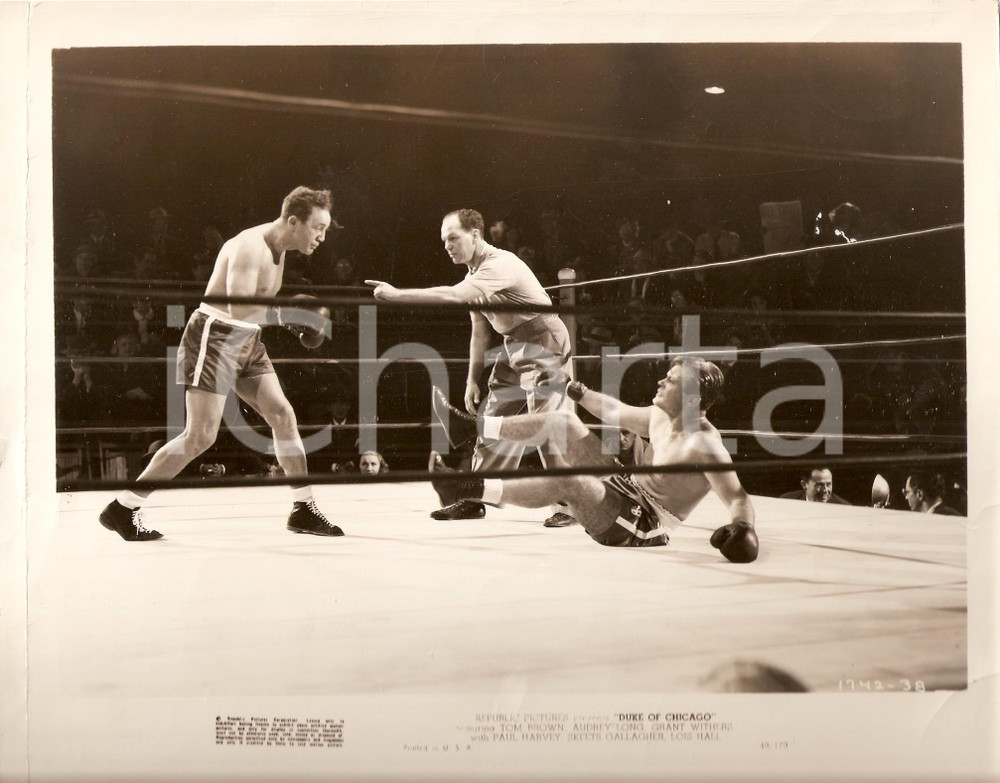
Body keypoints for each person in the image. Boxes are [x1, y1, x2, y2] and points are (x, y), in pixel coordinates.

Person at [98, 186, 343, 540]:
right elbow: (238, 307)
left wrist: (287, 317)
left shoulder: (281, 249)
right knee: (200, 435)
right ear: (293, 221)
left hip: (247, 338)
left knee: (282, 414)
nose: (322, 237)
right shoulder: (249, 246)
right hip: (214, 336)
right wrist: (290, 314)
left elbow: (255, 310)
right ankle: (123, 508)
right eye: (318, 228)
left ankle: (303, 508)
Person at [428, 356, 759, 561]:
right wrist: (570, 387)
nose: (660, 381)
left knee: (571, 481)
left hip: (642, 523)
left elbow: (737, 497)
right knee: (564, 421)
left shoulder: (705, 445)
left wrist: (743, 528)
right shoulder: (660, 416)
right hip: (622, 489)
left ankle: (464, 488)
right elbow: (613, 410)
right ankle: (469, 426)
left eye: (671, 381)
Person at [366, 207, 576, 527]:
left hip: (544, 340)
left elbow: (452, 296)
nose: (447, 245)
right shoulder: (474, 276)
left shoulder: (499, 264)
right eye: (443, 240)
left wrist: (397, 295)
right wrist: (471, 380)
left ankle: (568, 505)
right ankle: (475, 498)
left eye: (453, 238)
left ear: (475, 235)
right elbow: (480, 330)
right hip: (513, 347)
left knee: (545, 425)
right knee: (492, 420)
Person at [780, 468, 851, 505]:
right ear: (804, 485)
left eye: (828, 484)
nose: (825, 490)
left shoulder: (844, 507)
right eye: (819, 485)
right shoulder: (786, 501)